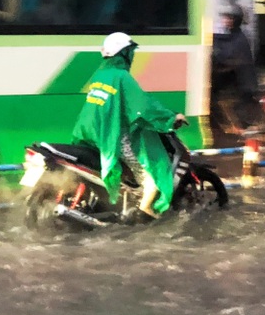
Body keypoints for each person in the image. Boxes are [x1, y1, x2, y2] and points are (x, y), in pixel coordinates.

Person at [72, 32, 187, 225]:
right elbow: (144, 106)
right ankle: (147, 208)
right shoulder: (122, 77)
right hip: (111, 135)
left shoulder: (101, 74)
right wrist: (171, 117)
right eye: (130, 52)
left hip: (89, 132)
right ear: (124, 54)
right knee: (152, 174)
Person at [211, 4, 260, 132]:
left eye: (229, 18)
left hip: (241, 84)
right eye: (225, 18)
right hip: (233, 79)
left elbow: (228, 57)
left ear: (236, 20)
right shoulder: (232, 35)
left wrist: (218, 59)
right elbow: (220, 40)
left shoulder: (239, 40)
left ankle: (238, 128)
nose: (225, 20)